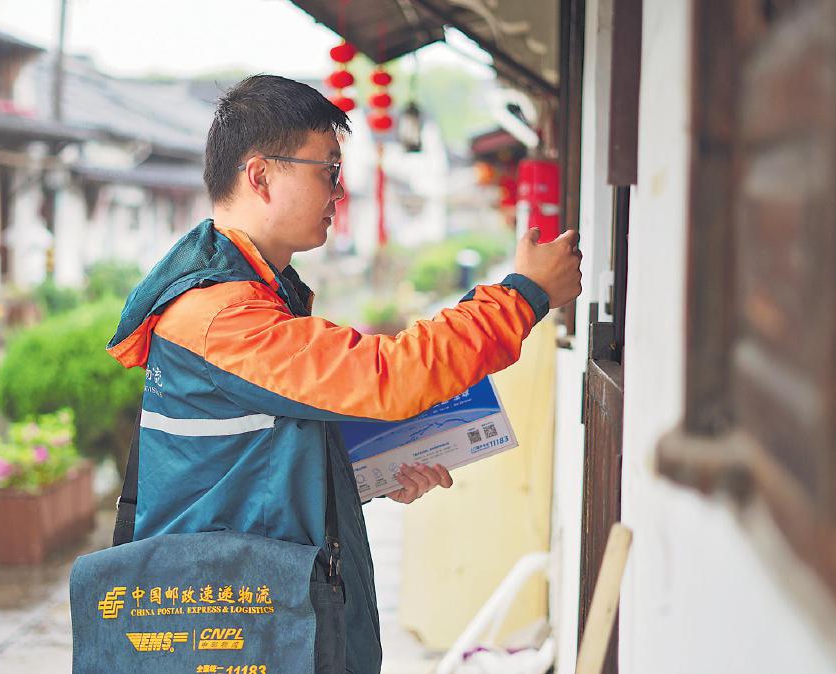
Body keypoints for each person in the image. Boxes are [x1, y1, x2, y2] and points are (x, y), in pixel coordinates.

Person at [107, 75, 582, 673]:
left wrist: (370, 467)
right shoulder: (223, 314)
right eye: (328, 170)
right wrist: (524, 295)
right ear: (260, 176)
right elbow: (390, 376)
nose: (339, 191)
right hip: (239, 628)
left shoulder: (254, 293)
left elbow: (246, 458)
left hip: (262, 610)